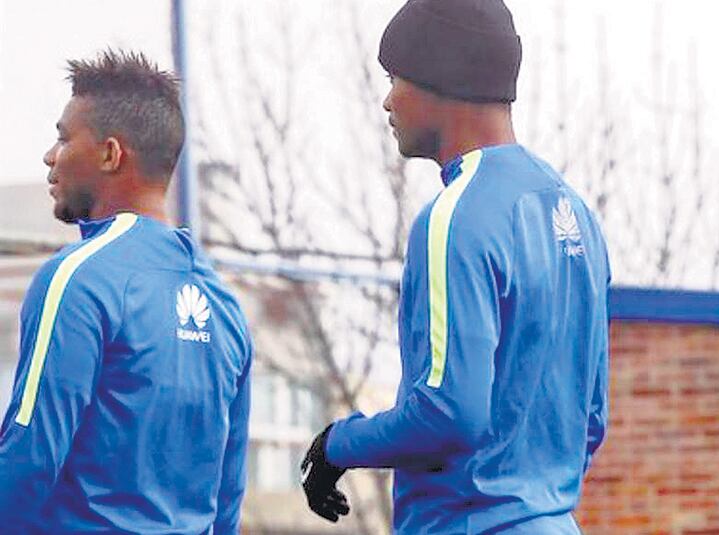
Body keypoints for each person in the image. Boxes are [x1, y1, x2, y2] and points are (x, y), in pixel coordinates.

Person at [300, 0, 611, 532]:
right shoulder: (575, 213)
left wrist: (337, 445)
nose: (387, 101)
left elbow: (449, 411)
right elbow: (591, 417)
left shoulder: (455, 214)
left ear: (438, 78)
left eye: (394, 77)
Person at [0, 50, 253, 534]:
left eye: (63, 137)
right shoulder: (225, 307)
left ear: (111, 154)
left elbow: (30, 456)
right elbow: (227, 497)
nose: (51, 156)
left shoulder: (78, 278)